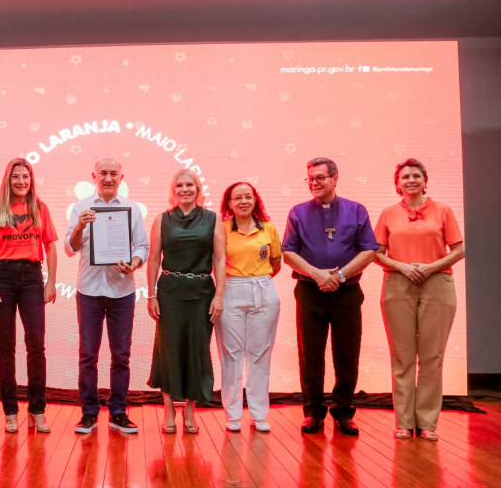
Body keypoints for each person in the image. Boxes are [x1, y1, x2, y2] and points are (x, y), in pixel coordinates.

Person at [282, 157, 378, 435]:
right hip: (310, 291)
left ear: (335, 179)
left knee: (347, 353)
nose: (314, 183)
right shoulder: (298, 212)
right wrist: (318, 275)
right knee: (310, 354)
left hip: (346, 292)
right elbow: (288, 253)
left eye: (320, 178)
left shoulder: (356, 210)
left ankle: (344, 412)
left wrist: (339, 276)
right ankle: (313, 412)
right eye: (310, 178)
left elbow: (369, 251)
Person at [374, 159, 464, 441]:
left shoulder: (443, 210)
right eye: (405, 177)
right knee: (402, 357)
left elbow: (459, 250)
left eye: (416, 176)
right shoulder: (388, 213)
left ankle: (427, 422)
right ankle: (403, 421)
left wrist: (429, 267)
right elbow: (376, 252)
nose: (410, 180)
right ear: (397, 183)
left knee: (432, 356)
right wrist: (402, 266)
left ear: (425, 180)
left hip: (437, 283)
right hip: (398, 283)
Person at [66, 158, 149, 434]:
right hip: (89, 291)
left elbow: (143, 246)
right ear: (94, 176)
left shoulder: (131, 208)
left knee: (121, 355)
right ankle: (89, 412)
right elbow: (69, 248)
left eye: (114, 173)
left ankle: (118, 412)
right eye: (103, 173)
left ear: (121, 177)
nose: (109, 178)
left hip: (122, 291)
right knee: (88, 355)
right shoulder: (81, 207)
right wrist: (79, 226)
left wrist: (134, 264)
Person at [0, 158, 58, 433]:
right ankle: (10, 411)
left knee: (36, 345)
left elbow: (49, 247)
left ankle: (37, 410)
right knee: (5, 346)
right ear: (8, 180)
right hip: (1, 276)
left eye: (25, 176)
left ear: (31, 179)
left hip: (32, 277)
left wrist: (51, 282)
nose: (21, 181)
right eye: (16, 177)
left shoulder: (39, 208)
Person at [146, 169, 224, 435]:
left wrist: (219, 295)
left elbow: (220, 260)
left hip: (202, 292)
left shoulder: (213, 219)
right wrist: (152, 294)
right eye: (179, 185)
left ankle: (190, 410)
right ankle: (169, 409)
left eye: (190, 184)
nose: (184, 189)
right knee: (168, 351)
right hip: (169, 292)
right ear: (173, 190)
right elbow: (154, 259)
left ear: (198, 188)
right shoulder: (161, 220)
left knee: (197, 351)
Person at [215, 182, 282, 433]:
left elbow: (275, 264)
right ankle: (232, 414)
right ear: (229, 203)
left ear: (255, 200)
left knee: (260, 354)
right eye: (237, 198)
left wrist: (257, 281)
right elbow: (218, 262)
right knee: (231, 355)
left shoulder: (269, 228)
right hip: (230, 289)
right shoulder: (221, 229)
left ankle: (259, 414)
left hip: (263, 290)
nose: (243, 201)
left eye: (248, 197)